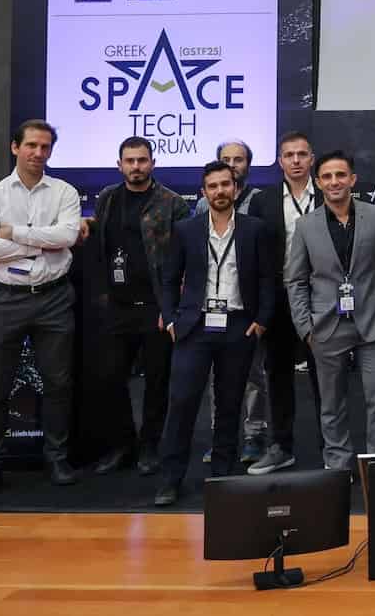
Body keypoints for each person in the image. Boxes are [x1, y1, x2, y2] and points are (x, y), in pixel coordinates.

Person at [0, 119, 83, 500]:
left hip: (53, 297)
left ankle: (57, 458)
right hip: (5, 298)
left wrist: (13, 233)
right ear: (15, 147)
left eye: (45, 147)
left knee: (58, 383)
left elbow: (67, 236)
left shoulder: (64, 192)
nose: (38, 153)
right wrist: (42, 243)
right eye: (31, 145)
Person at [153, 161, 275, 506]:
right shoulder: (186, 230)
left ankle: (222, 477)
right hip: (194, 326)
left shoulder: (255, 229)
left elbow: (267, 279)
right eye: (213, 186)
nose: (220, 191)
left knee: (230, 403)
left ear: (236, 188)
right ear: (203, 192)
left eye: (225, 184)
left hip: (238, 326)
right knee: (181, 403)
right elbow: (168, 278)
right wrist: (170, 319)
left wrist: (262, 320)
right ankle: (170, 479)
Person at [84, 136, 193, 478]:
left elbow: (185, 257)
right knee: (111, 379)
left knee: (157, 383)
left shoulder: (172, 203)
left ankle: (150, 446)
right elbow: (100, 246)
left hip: (156, 307)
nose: (136, 167)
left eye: (142, 160)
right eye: (130, 161)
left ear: (152, 163)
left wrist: (171, 306)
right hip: (116, 305)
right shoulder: (107, 198)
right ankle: (122, 445)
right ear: (119, 165)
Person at [287, 150, 375, 469]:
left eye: (340, 175)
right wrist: (305, 327)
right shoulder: (305, 226)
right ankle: (338, 466)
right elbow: (295, 279)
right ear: (318, 182)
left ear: (353, 179)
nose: (334, 182)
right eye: (327, 176)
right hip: (326, 328)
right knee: (332, 405)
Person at [245, 131, 322, 474]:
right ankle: (281, 446)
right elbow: (257, 257)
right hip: (277, 299)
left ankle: (331, 450)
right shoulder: (263, 201)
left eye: (302, 154)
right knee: (277, 375)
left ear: (311, 159)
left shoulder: (328, 194)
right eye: (289, 155)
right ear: (280, 161)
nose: (296, 161)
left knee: (325, 376)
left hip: (320, 298)